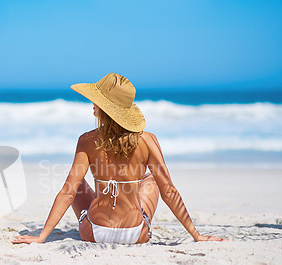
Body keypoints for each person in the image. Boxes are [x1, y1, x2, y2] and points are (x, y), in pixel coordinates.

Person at [12, 73, 227, 245]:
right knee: (152, 181)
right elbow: (169, 191)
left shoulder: (87, 140)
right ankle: (130, 214)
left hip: (94, 232)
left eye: (96, 100)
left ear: (106, 108)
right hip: (136, 234)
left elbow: (68, 192)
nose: (92, 103)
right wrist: (197, 235)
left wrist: (41, 237)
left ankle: (107, 208)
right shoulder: (148, 141)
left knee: (77, 185)